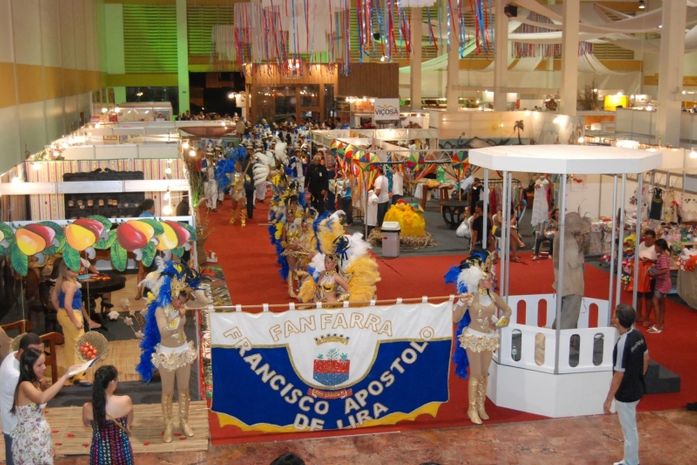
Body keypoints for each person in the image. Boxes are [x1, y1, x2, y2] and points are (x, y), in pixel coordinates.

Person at [137, 261, 198, 443]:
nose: (181, 302)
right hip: (166, 354)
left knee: (185, 389)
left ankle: (184, 421)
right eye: (179, 298)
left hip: (183, 352)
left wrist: (183, 313)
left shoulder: (182, 307)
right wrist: (180, 321)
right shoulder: (159, 310)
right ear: (171, 293)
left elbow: (203, 301)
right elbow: (164, 332)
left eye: (183, 299)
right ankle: (168, 425)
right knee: (168, 392)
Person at [448, 250, 511, 425]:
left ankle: (481, 406)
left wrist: (500, 322)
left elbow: (507, 310)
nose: (492, 281)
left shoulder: (493, 296)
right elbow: (455, 318)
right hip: (474, 338)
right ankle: (472, 408)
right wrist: (461, 302)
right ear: (479, 281)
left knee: (484, 373)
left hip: (489, 338)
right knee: (475, 374)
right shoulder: (470, 297)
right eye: (489, 279)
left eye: (492, 278)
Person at [11, 348, 80, 465]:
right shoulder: (24, 385)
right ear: (27, 368)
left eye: (44, 363)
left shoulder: (33, 382)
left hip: (39, 439)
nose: (44, 367)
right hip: (30, 443)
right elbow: (42, 398)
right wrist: (65, 376)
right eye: (39, 365)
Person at [604, 304, 649, 465]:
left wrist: (608, 399)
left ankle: (631, 462)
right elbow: (646, 358)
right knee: (631, 427)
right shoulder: (638, 335)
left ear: (619, 320)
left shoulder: (623, 343)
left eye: (614, 315)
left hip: (626, 394)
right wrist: (638, 377)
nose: (612, 317)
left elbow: (618, 374)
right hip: (637, 388)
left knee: (629, 429)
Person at [0, 333, 44, 465]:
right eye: (33, 352)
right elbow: (40, 400)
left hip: (18, 423)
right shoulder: (15, 375)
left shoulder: (12, 355)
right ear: (22, 351)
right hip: (16, 426)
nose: (35, 355)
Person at [82, 365, 134, 465]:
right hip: (123, 453)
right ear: (112, 382)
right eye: (116, 379)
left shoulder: (87, 407)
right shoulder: (126, 400)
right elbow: (128, 425)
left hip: (100, 455)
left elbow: (86, 424)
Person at [52, 260, 89, 385]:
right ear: (67, 270)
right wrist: (75, 321)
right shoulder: (71, 285)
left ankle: (71, 372)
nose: (77, 269)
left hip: (63, 314)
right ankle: (79, 376)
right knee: (80, 343)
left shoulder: (61, 282)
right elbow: (68, 305)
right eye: (74, 268)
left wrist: (60, 312)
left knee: (69, 343)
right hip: (72, 314)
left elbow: (54, 299)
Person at [552, 212, 590, 329]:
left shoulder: (558, 237)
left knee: (562, 314)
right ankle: (561, 341)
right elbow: (575, 262)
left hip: (562, 282)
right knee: (569, 318)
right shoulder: (570, 242)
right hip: (572, 285)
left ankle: (557, 337)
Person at [634, 229, 657, 327]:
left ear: (654, 239)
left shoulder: (656, 247)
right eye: (646, 239)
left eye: (649, 239)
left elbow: (660, 261)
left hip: (650, 274)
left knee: (648, 296)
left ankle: (647, 317)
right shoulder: (641, 245)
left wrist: (650, 260)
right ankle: (638, 315)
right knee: (638, 295)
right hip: (640, 272)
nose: (647, 241)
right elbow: (636, 255)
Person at [649, 238, 671, 334]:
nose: (654, 248)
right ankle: (660, 323)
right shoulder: (664, 255)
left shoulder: (662, 257)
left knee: (655, 302)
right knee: (661, 304)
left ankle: (658, 326)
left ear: (660, 247)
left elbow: (665, 269)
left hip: (661, 283)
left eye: (656, 246)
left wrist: (654, 273)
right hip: (663, 283)